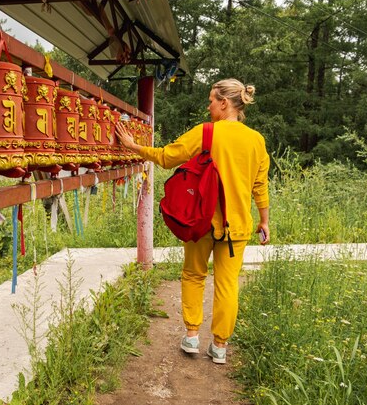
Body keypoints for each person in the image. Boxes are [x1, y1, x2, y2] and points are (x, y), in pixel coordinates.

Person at [116, 78, 270, 364]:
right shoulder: (257, 141)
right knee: (227, 285)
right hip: (236, 227)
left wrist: (133, 146)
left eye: (212, 100)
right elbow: (260, 185)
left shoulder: (206, 132)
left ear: (224, 103)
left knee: (194, 275)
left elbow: (166, 157)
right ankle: (220, 347)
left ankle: (191, 336)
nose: (209, 105)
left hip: (201, 223)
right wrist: (264, 220)